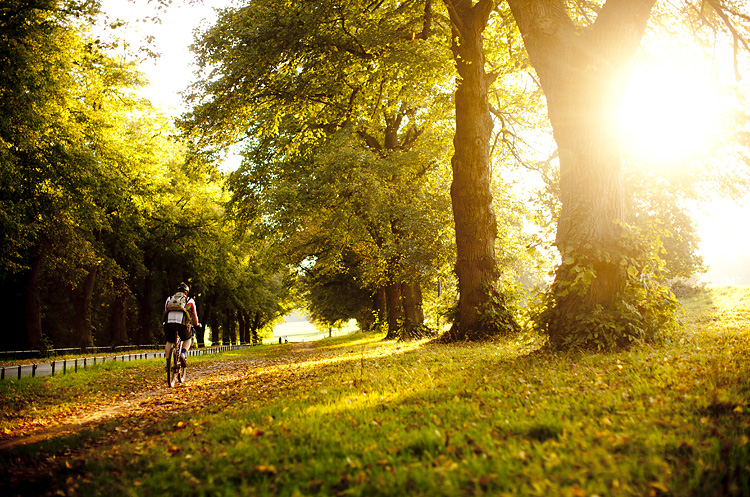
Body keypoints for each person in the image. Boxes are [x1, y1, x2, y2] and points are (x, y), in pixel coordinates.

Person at [164, 282, 200, 369]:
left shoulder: (169, 299)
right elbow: (194, 315)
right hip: (182, 324)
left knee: (169, 342)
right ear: (186, 292)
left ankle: (168, 364)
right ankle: (183, 354)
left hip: (169, 323)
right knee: (188, 339)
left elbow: (165, 311)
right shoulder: (190, 300)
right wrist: (197, 324)